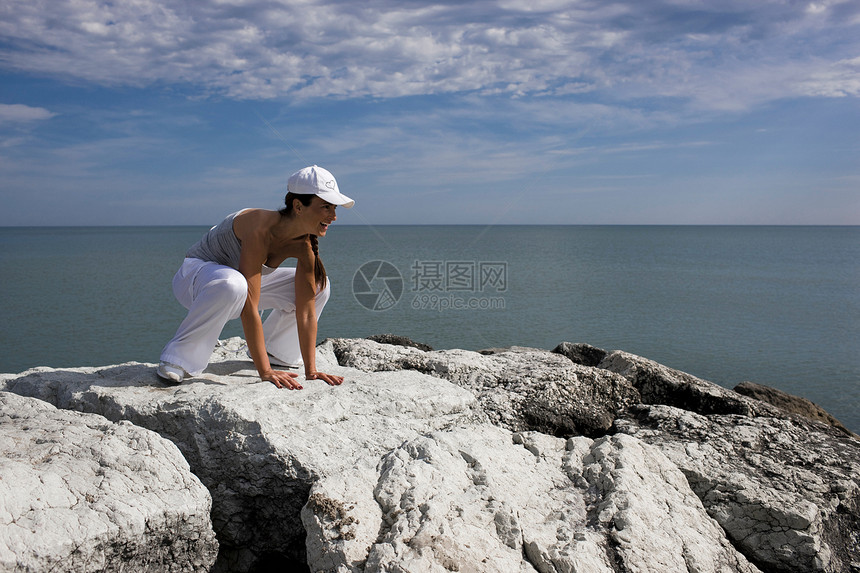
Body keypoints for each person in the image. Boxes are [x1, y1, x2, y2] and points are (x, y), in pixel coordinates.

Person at [157, 165, 352, 389]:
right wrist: (265, 372)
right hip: (195, 281)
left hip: (237, 288)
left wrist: (312, 370)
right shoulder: (259, 228)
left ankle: (275, 350)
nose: (334, 216)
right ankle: (177, 359)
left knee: (319, 286)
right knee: (234, 285)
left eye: (335, 208)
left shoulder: (305, 245)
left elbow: (306, 312)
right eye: (326, 207)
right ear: (298, 206)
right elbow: (249, 307)